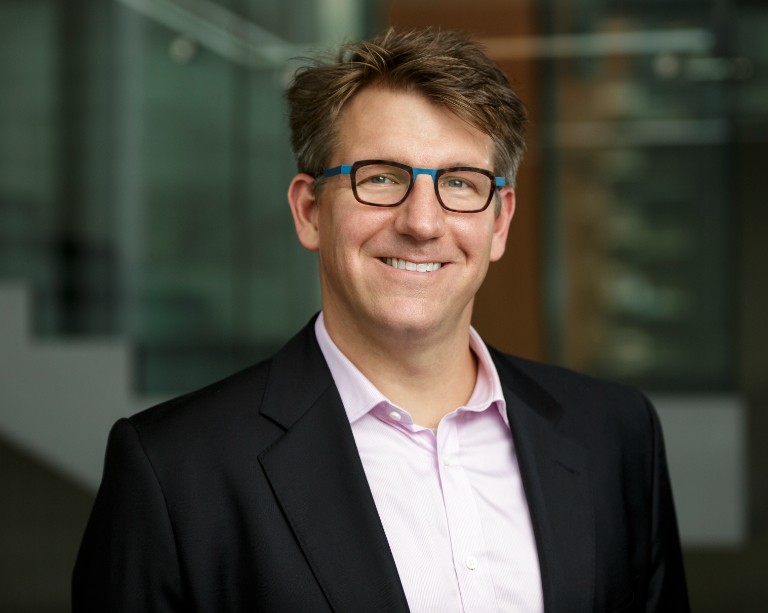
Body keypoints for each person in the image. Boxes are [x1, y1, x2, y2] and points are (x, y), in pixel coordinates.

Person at [72, 28, 689, 612]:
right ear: (311, 211)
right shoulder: (174, 472)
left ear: (498, 222)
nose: (422, 222)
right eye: (383, 178)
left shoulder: (615, 436)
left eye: (461, 182)